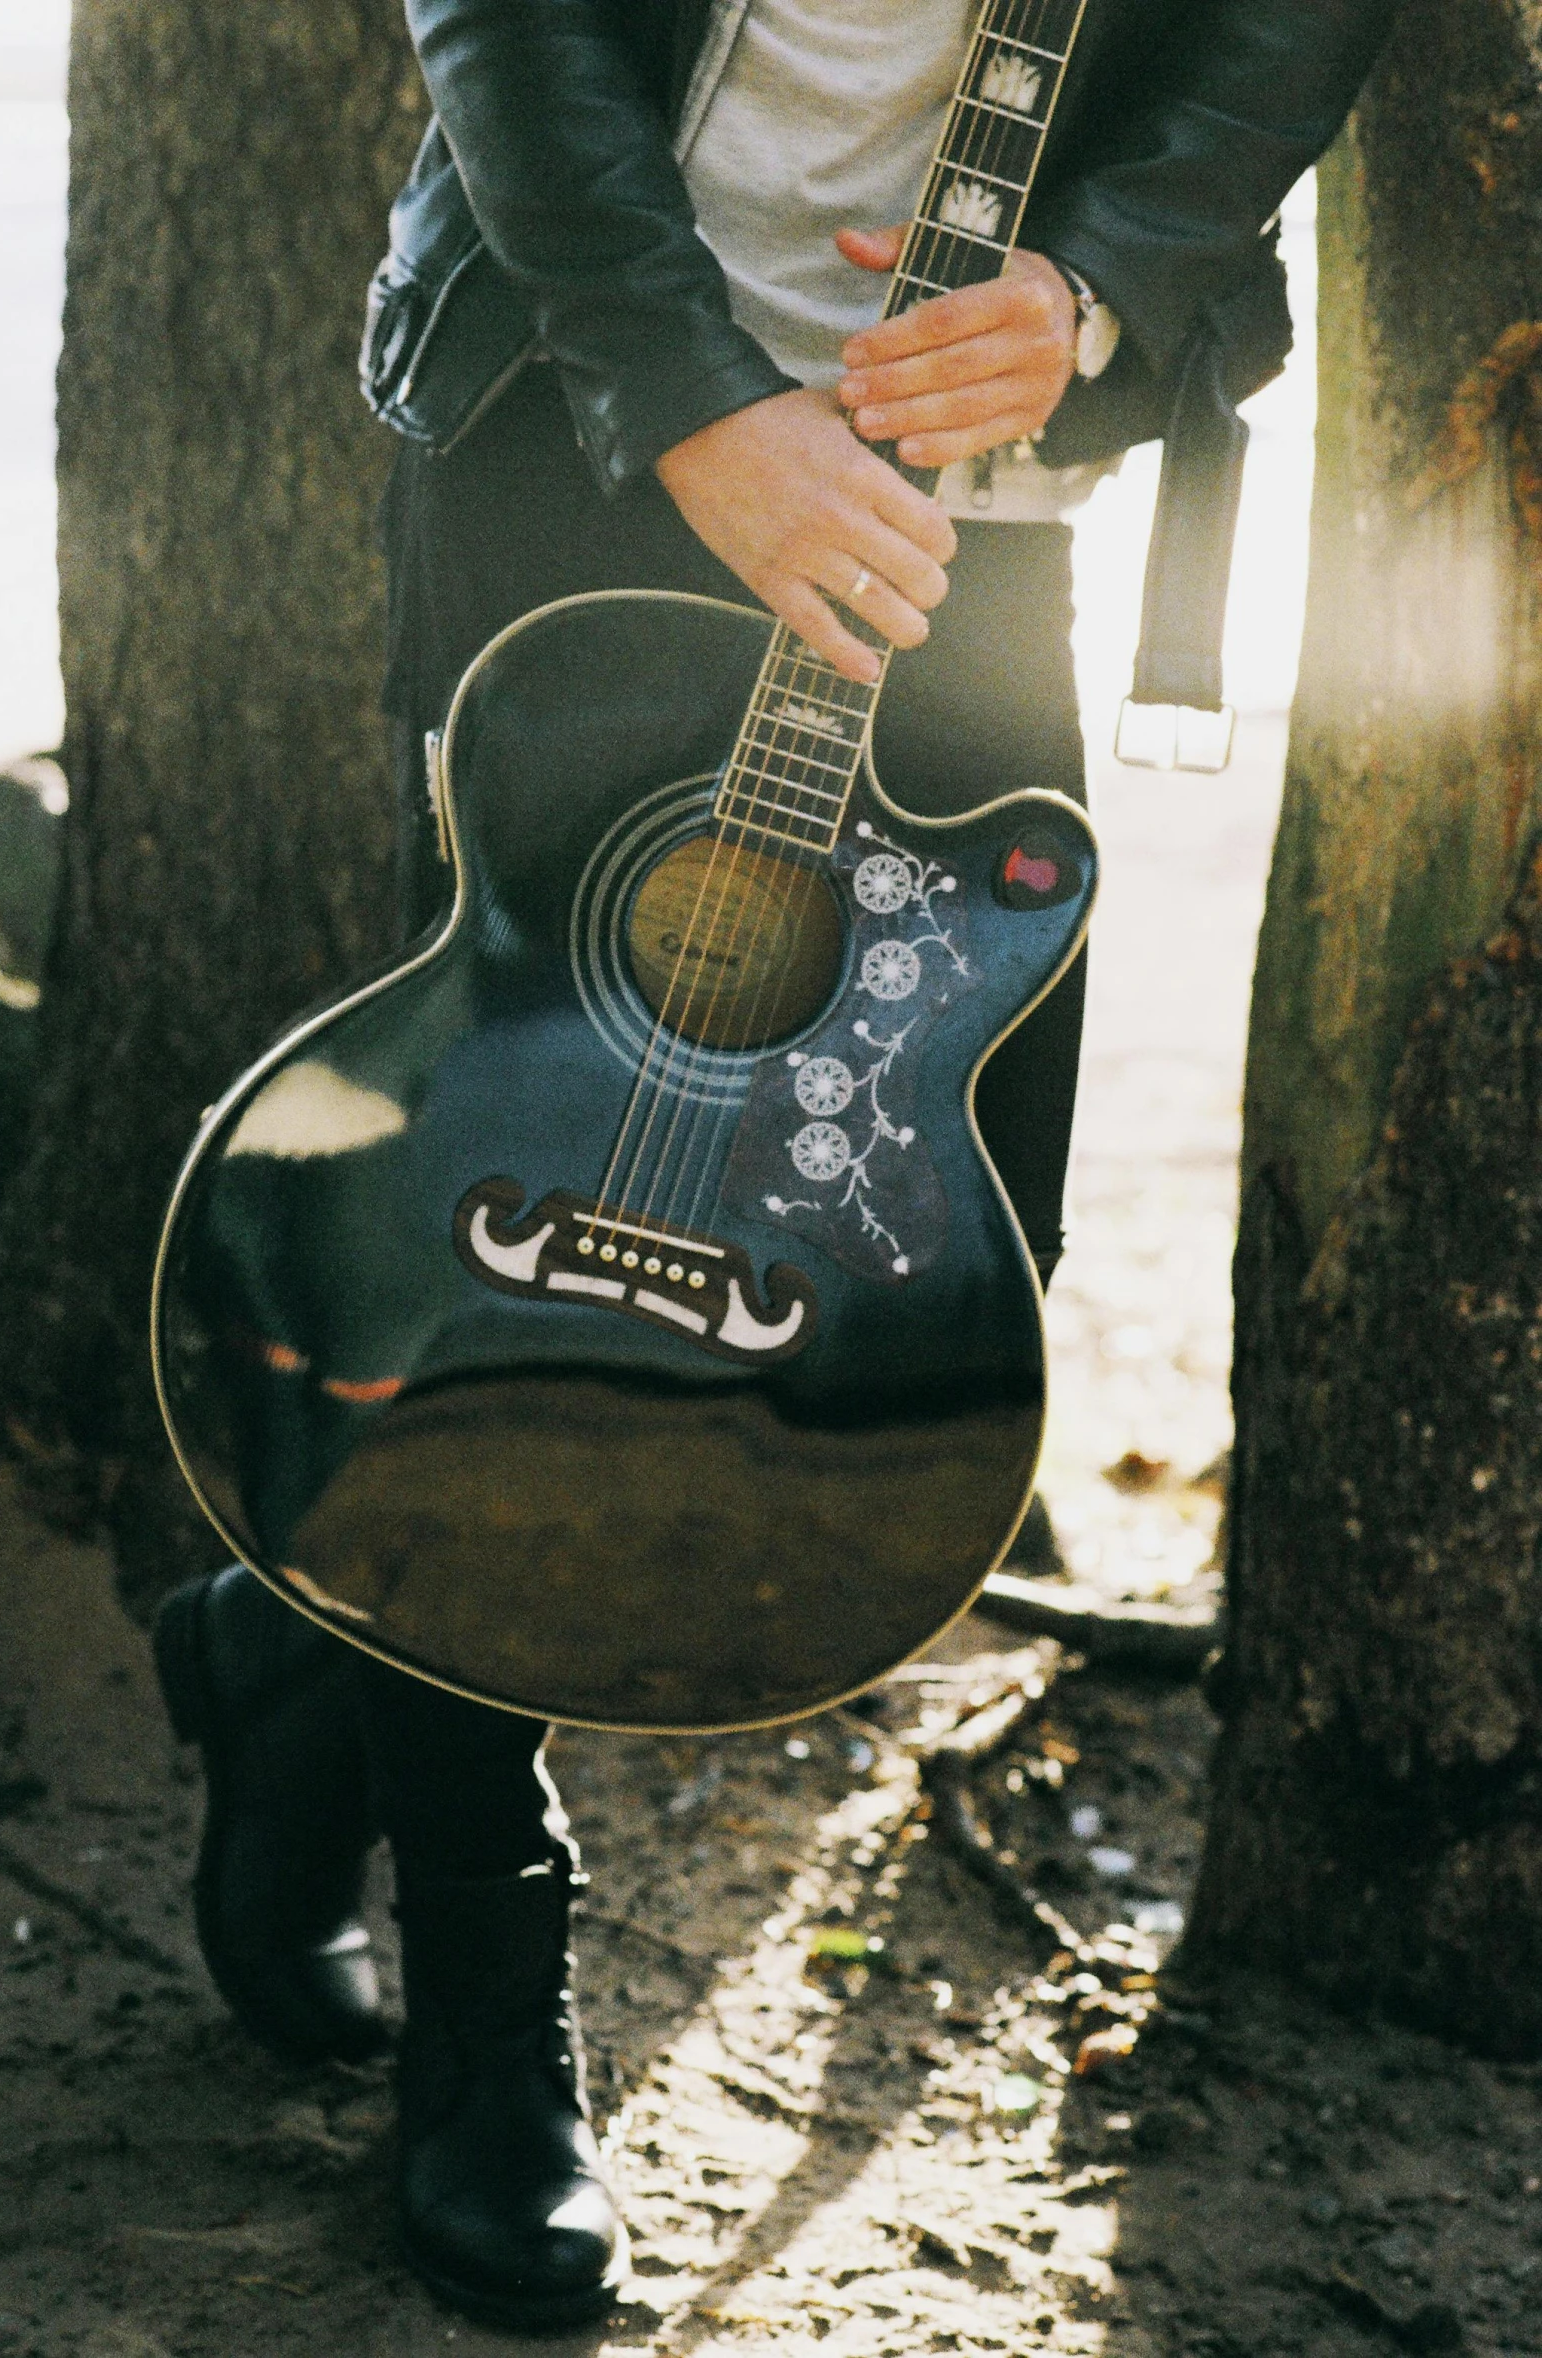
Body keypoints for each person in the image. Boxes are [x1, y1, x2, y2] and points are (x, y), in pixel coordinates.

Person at [156, 0, 1395, 2329]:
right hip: (583, 420)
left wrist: (1099, 291)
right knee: (512, 1215)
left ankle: (288, 1651)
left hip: (980, 503)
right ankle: (492, 2010)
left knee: (924, 1258)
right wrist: (692, 401)